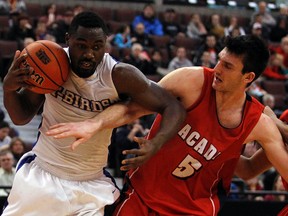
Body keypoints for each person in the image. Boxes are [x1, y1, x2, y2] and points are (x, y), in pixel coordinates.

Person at [46, 35, 288, 215]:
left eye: (228, 66)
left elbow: (247, 171)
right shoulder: (190, 81)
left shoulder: (258, 123)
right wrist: (94, 124)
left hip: (193, 210)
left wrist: (277, 127)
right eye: (220, 60)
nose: (217, 69)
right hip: (143, 196)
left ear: (248, 78)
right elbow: (134, 107)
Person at [1, 11, 186, 215]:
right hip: (44, 175)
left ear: (106, 43)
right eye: (82, 46)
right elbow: (20, 117)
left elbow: (173, 106)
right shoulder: (51, 65)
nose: (89, 53)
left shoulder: (120, 75)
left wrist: (156, 143)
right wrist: (9, 90)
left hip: (90, 184)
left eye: (97, 46)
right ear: (68, 40)